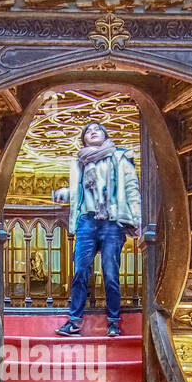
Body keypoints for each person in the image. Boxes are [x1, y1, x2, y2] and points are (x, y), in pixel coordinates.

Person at [52, 120, 142, 337]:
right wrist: (64, 193)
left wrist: (138, 217)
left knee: (111, 273)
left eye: (97, 130)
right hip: (87, 222)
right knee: (80, 271)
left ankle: (113, 321)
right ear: (83, 139)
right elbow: (79, 191)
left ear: (104, 134)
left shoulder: (120, 158)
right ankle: (73, 322)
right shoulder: (80, 162)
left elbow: (131, 187)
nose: (92, 133)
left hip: (112, 222)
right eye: (88, 131)